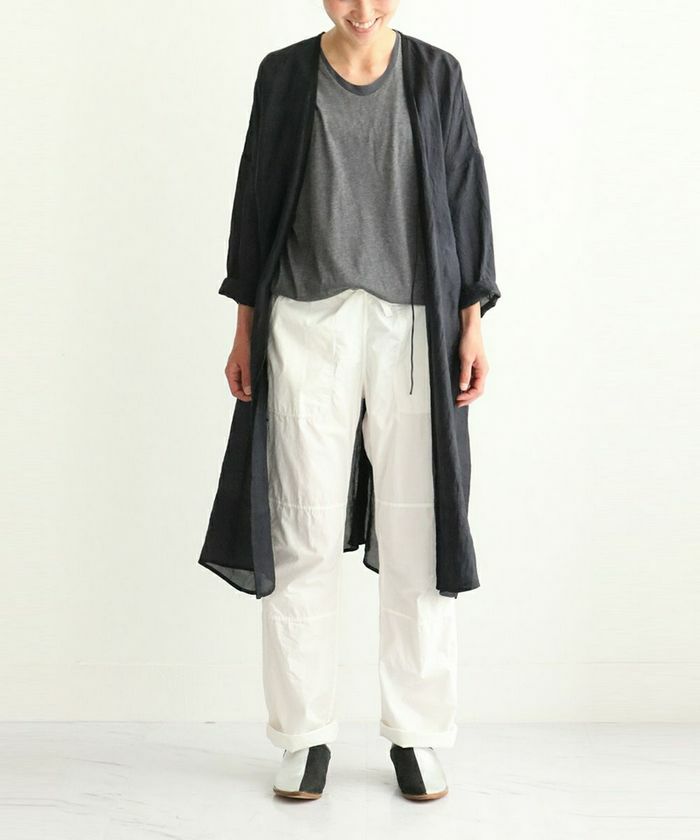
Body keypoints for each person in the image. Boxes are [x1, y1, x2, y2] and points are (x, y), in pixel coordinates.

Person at [205, 0, 500, 801]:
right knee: (299, 529)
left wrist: (471, 324)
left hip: (414, 327)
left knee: (418, 533)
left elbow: (465, 200)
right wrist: (245, 328)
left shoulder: (435, 75)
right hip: (304, 323)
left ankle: (416, 734)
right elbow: (255, 207)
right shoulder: (283, 76)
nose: (361, 10)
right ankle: (303, 737)